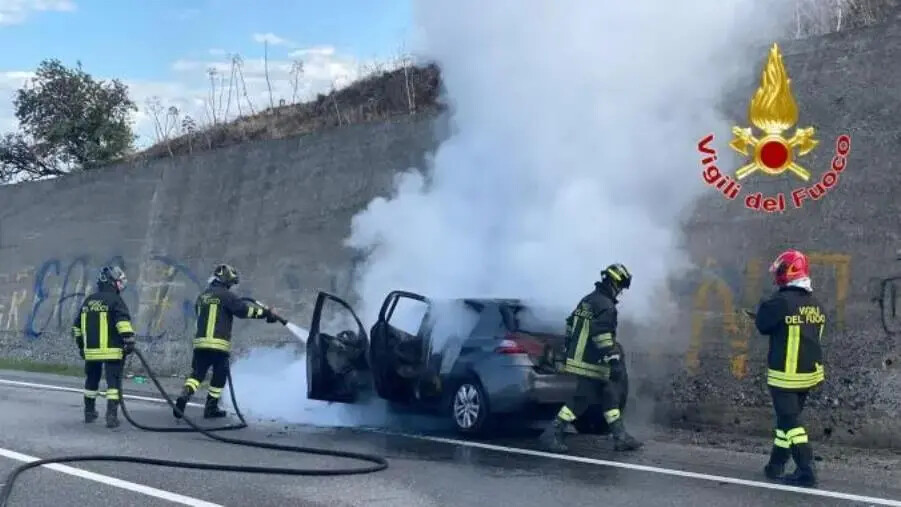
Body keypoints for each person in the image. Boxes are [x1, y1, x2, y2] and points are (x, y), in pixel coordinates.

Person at [539, 263, 642, 453]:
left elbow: (570, 324)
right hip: (591, 362)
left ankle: (620, 436)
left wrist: (569, 350)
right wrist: (613, 358)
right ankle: (552, 433)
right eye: (620, 287)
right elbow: (602, 336)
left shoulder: (587, 300)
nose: (620, 292)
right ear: (613, 283)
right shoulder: (607, 306)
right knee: (581, 399)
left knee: (609, 395)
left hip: (580, 359)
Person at [753, 249, 825, 487]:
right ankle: (776, 464)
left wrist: (762, 306)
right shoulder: (815, 304)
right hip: (809, 374)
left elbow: (763, 325)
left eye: (780, 270)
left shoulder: (780, 301)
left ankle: (806, 469)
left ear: (789, 272)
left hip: (785, 376)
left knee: (791, 422)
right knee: (787, 420)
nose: (777, 275)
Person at [173, 263, 282, 419]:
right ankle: (211, 408)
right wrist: (266, 314)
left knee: (197, 375)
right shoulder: (226, 296)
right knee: (219, 376)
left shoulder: (202, 296)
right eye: (230, 283)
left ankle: (185, 394)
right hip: (218, 345)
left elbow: (199, 315)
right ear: (226, 281)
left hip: (200, 344)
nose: (231, 286)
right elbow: (244, 310)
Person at [72, 265, 136, 428]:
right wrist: (129, 341)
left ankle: (89, 412)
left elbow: (76, 328)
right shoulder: (115, 300)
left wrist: (81, 346)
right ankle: (111, 416)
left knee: (91, 381)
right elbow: (122, 322)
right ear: (111, 282)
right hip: (112, 351)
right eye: (119, 281)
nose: (121, 285)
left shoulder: (88, 301)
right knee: (113, 383)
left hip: (91, 352)